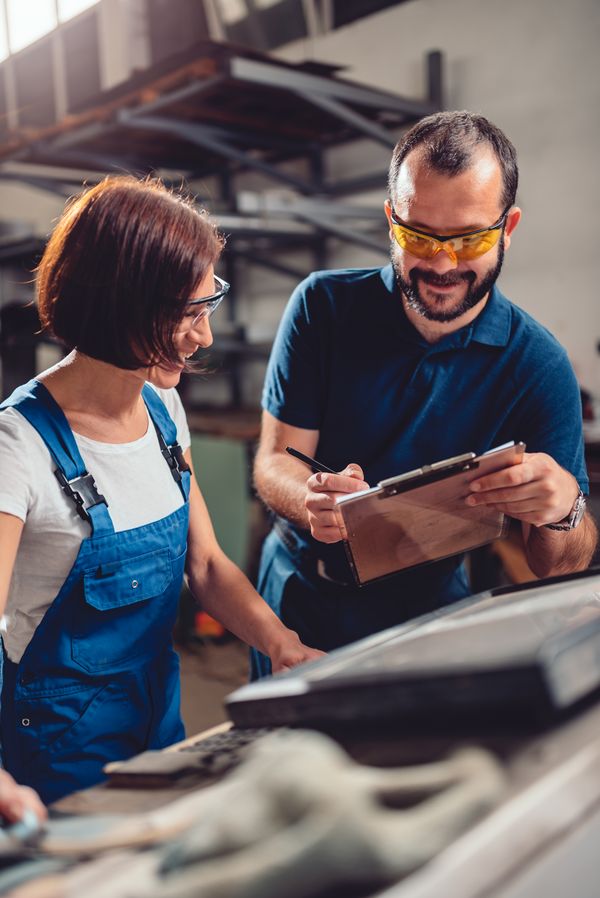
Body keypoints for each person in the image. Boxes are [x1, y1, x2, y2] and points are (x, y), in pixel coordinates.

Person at [0, 176, 322, 804]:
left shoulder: (163, 409)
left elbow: (204, 565)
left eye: (207, 307)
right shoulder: (17, 445)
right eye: (185, 313)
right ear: (119, 304)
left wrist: (282, 647)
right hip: (56, 754)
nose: (202, 336)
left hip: (159, 726)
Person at [252, 110, 598, 678]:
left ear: (506, 228)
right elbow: (273, 461)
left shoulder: (537, 365)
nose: (442, 263)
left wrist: (564, 511)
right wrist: (311, 500)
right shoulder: (323, 308)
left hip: (427, 612)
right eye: (420, 236)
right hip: (296, 600)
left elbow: (559, 566)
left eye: (468, 240)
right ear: (392, 221)